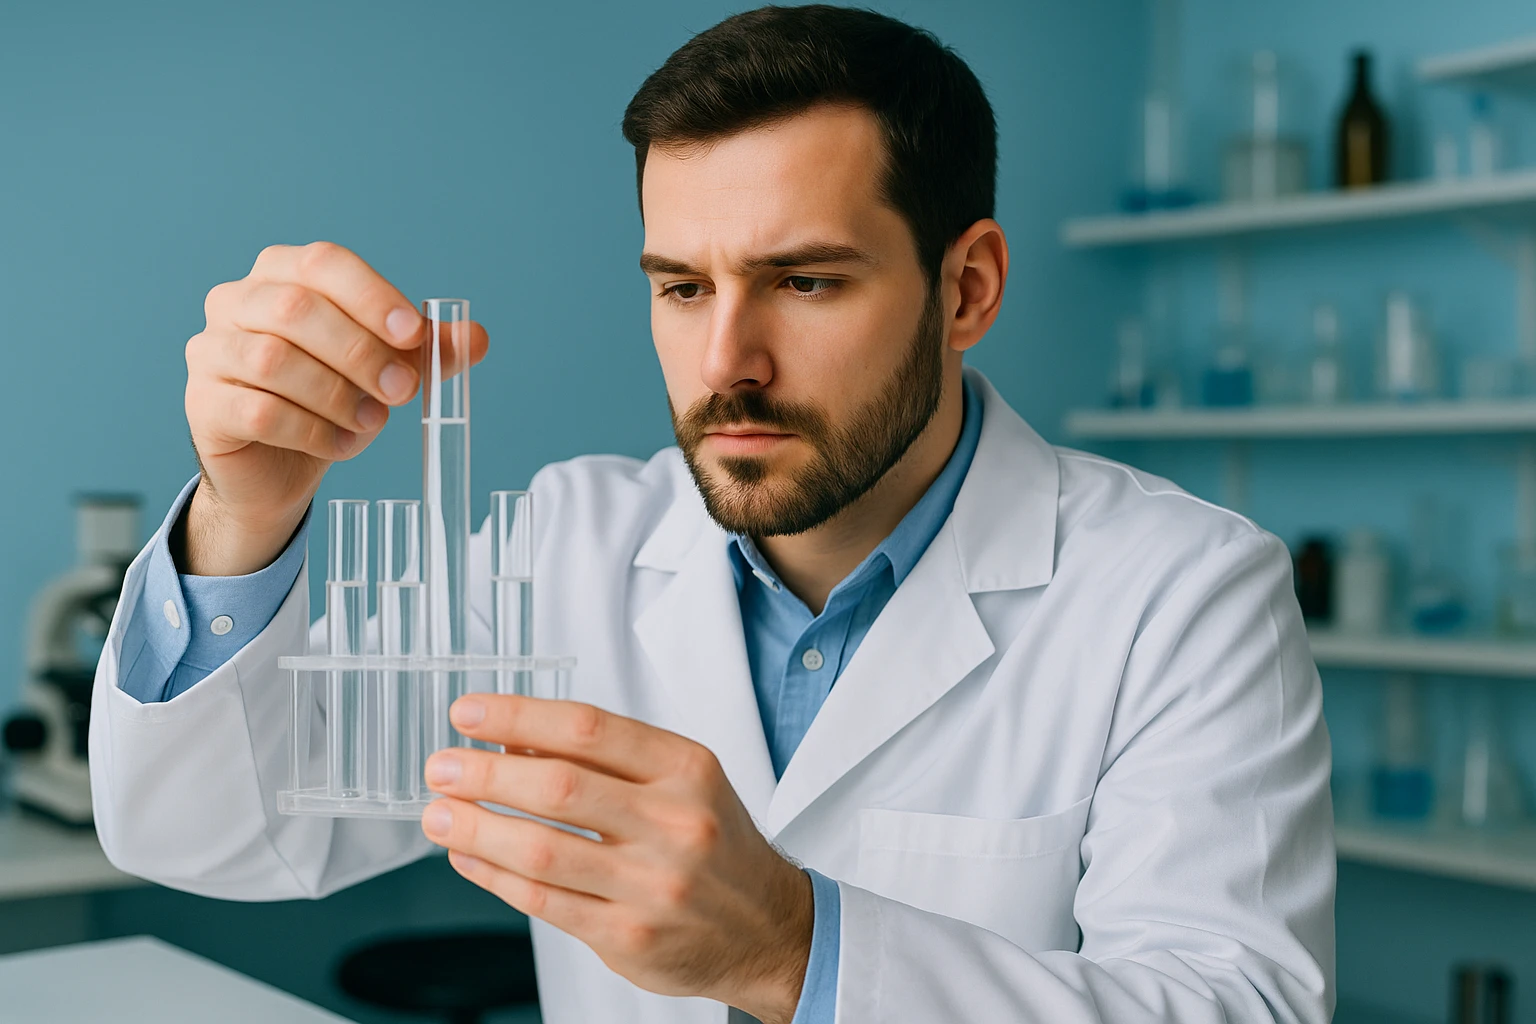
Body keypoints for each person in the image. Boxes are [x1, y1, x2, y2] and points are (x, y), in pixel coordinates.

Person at [90, 6, 1334, 1023]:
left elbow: (1235, 1006)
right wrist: (248, 507)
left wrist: (796, 948)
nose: (727, 358)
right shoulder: (561, 549)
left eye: (804, 280)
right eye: (683, 286)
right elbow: (213, 833)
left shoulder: (1183, 591)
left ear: (967, 288)